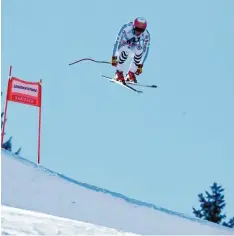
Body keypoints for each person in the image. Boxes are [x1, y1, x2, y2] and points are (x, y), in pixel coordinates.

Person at [111, 17, 150, 84]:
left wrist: (140, 65)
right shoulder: (126, 28)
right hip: (123, 46)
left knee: (139, 50)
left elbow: (145, 50)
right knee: (126, 50)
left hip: (133, 45)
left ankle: (130, 73)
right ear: (133, 26)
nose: (138, 32)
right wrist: (114, 57)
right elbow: (117, 42)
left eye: (141, 30)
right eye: (137, 29)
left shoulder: (146, 34)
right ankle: (118, 73)